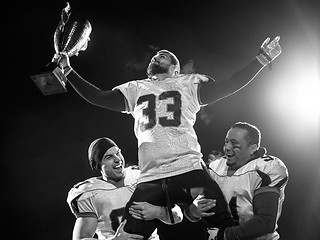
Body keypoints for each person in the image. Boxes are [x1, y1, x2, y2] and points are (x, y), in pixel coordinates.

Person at [58, 36, 282, 239]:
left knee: (221, 228)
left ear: (176, 70)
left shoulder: (189, 84)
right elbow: (98, 97)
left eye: (166, 55)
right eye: (157, 54)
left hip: (189, 170)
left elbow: (228, 86)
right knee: (126, 236)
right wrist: (68, 71)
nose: (159, 53)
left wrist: (261, 60)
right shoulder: (136, 89)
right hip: (151, 178)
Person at [67, 137, 183, 240]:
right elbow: (81, 238)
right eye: (109, 157)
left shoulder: (142, 177)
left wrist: (158, 212)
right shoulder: (90, 193)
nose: (118, 159)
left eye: (118, 153)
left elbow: (178, 216)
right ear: (98, 165)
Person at [188, 122, 289, 240]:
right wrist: (192, 212)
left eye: (234, 144)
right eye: (226, 142)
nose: (227, 147)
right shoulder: (215, 168)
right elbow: (197, 208)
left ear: (253, 148)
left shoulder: (264, 169)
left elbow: (265, 222)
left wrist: (224, 235)